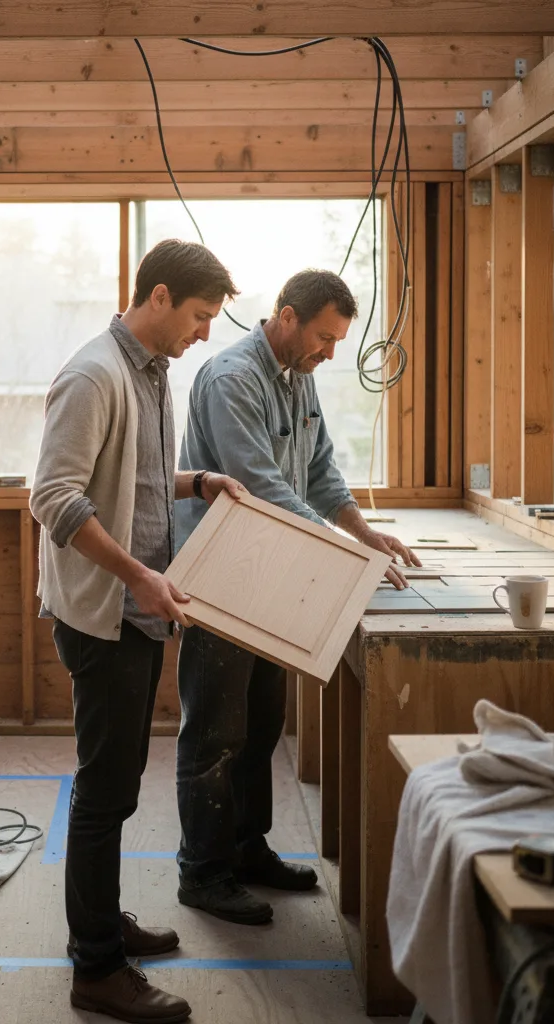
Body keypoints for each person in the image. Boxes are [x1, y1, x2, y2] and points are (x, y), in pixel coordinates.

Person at [30, 238, 247, 1024]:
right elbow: (54, 498)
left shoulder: (149, 375)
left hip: (136, 612)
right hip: (109, 617)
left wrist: (198, 480)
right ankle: (97, 967)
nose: (204, 334)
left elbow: (136, 482)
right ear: (158, 297)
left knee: (116, 790)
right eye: (198, 316)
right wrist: (141, 579)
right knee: (105, 793)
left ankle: (99, 923)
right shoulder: (96, 374)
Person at [173, 268, 421, 926]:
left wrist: (365, 531)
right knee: (214, 734)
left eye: (338, 341)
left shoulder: (299, 377)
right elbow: (257, 487)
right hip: (222, 578)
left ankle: (246, 851)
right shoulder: (231, 379)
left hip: (270, 577)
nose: (330, 353)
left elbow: (317, 470)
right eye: (323, 338)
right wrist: (345, 555)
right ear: (285, 316)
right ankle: (202, 872)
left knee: (258, 728)